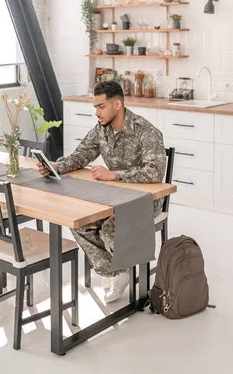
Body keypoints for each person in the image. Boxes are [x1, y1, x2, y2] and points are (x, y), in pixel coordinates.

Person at [36, 80, 166, 303]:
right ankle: (118, 272)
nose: (96, 112)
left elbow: (154, 173)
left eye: (100, 106)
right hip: (110, 197)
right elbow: (80, 156)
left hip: (143, 200)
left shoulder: (147, 132)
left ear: (117, 105)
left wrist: (113, 175)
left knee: (108, 229)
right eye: (94, 107)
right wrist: (56, 166)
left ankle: (121, 272)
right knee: (78, 222)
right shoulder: (101, 130)